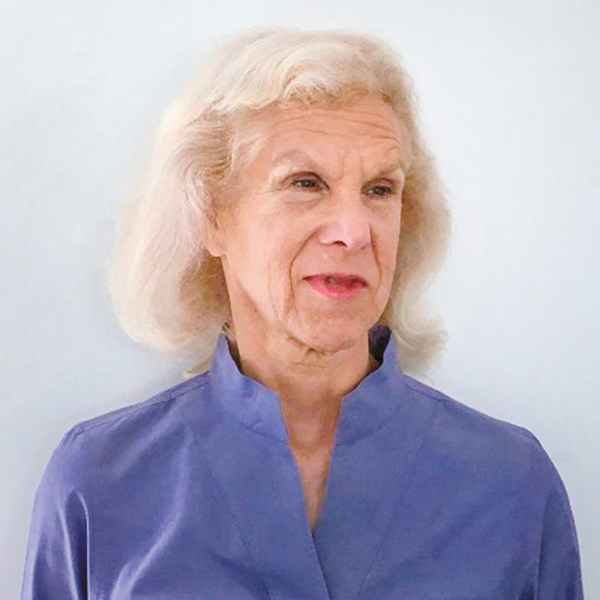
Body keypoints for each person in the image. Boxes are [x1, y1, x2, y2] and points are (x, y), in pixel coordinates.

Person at [21, 28, 583, 599]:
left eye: (379, 189)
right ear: (211, 216)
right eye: (306, 183)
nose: (353, 231)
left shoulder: (510, 486)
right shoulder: (98, 484)